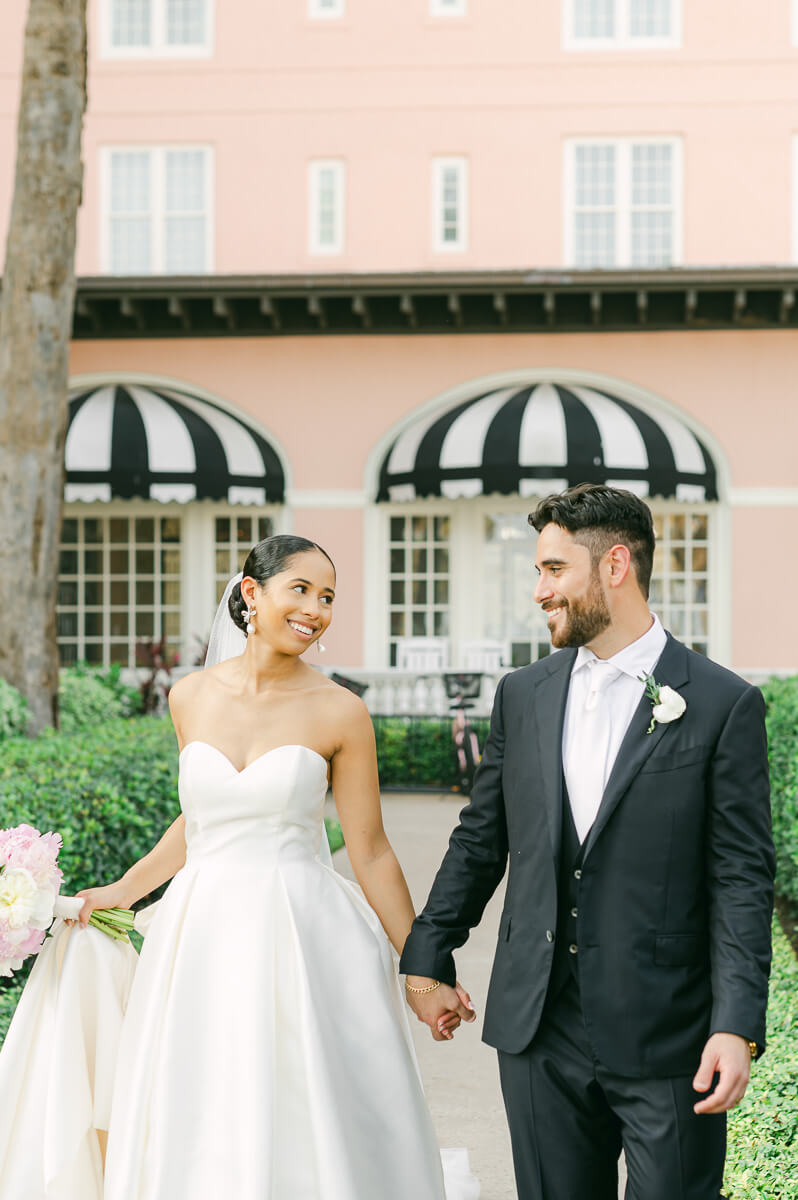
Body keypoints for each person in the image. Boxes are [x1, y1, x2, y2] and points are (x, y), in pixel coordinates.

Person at [0, 534, 479, 1200]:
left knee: (305, 1105)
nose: (316, 609)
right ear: (252, 594)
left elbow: (369, 849)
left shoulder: (341, 711)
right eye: (301, 590)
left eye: (329, 596)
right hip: (201, 934)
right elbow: (199, 821)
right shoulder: (189, 697)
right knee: (204, 1100)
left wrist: (424, 970)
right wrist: (123, 891)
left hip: (304, 934)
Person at [400, 484, 775, 1200]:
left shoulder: (724, 704)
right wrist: (428, 957)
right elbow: (483, 839)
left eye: (553, 569)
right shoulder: (523, 694)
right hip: (540, 1030)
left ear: (615, 566)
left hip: (670, 1036)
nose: (539, 591)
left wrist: (736, 1025)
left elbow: (740, 879)